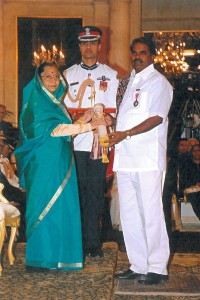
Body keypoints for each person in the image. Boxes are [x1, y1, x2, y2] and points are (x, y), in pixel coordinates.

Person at [14, 61, 104, 270]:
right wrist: (89, 125)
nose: (54, 80)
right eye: (48, 76)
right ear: (39, 79)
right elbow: (53, 131)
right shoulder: (37, 102)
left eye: (56, 76)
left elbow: (64, 130)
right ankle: (42, 259)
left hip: (61, 161)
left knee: (62, 207)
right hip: (44, 164)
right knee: (45, 206)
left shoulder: (55, 103)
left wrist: (82, 119)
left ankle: (61, 257)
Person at [106, 37, 173, 285]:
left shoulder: (159, 83)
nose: (137, 57)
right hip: (125, 159)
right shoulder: (129, 81)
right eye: (134, 52)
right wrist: (113, 128)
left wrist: (126, 133)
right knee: (130, 215)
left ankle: (157, 267)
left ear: (152, 56)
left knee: (151, 213)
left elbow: (156, 117)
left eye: (142, 53)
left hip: (147, 159)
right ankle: (138, 264)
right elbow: (125, 118)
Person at [64, 26, 119, 258]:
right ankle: (75, 243)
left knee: (95, 194)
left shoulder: (112, 75)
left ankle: (93, 244)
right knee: (75, 194)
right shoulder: (67, 75)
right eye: (84, 42)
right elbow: (62, 111)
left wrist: (111, 118)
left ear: (99, 45)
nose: (88, 47)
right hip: (75, 145)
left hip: (99, 144)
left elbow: (118, 109)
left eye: (92, 42)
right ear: (79, 46)